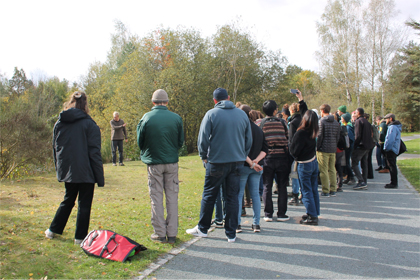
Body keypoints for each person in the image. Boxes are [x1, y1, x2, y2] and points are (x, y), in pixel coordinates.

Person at [186, 88, 252, 243]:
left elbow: (203, 139)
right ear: (228, 98)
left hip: (216, 161)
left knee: (209, 195)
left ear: (214, 100)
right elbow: (248, 140)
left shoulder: (211, 114)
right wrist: (242, 155)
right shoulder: (242, 114)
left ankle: (203, 228)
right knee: (232, 197)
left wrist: (204, 156)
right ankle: (231, 233)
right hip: (236, 161)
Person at [45, 91, 104, 245]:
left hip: (69, 169)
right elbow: (94, 152)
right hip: (86, 171)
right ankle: (79, 237)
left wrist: (60, 168)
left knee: (68, 199)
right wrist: (99, 176)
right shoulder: (90, 124)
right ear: (85, 104)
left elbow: (56, 148)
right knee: (84, 203)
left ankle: (53, 230)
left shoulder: (60, 123)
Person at [137, 89, 184, 244]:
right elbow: (180, 142)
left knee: (156, 197)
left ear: (153, 102)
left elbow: (140, 142)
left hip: (154, 163)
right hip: (171, 162)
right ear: (167, 102)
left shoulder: (146, 118)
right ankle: (172, 233)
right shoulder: (176, 118)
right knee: (172, 197)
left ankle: (159, 233)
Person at [236, 105, 268, 233]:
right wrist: (256, 161)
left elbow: (240, 150)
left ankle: (237, 223)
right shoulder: (258, 129)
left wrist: (251, 163)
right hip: (257, 166)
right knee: (255, 195)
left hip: (245, 165)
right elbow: (265, 149)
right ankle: (256, 224)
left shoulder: (241, 129)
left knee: (239, 196)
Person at [260, 100, 290, 222]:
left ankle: (268, 214)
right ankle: (282, 213)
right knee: (282, 185)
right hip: (282, 156)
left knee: (267, 185)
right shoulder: (282, 122)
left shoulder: (261, 124)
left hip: (267, 157)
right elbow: (288, 137)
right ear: (275, 110)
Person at [290, 110, 320, 225]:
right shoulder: (314, 131)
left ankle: (312, 216)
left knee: (306, 190)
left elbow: (294, 151)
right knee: (313, 189)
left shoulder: (301, 133)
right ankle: (314, 212)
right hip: (313, 161)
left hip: (304, 163)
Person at [287, 90, 308, 205]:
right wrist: (300, 98)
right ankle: (302, 193)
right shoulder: (305, 119)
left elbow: (291, 139)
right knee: (303, 175)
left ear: (291, 111)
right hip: (306, 151)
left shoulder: (293, 122)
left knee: (294, 174)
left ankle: (295, 195)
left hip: (296, 151)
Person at [317, 104, 340, 197]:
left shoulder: (321, 121)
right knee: (332, 169)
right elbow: (337, 136)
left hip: (323, 149)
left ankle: (325, 190)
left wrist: (317, 147)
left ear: (322, 111)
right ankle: (333, 189)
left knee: (323, 171)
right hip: (333, 148)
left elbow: (320, 136)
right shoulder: (335, 122)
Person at [351, 108, 375, 190]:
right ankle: (364, 181)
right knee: (364, 163)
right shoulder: (367, 122)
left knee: (354, 163)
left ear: (358, 113)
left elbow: (357, 135)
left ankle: (361, 181)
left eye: (356, 112)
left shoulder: (358, 121)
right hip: (368, 145)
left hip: (361, 146)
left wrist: (355, 145)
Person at [383, 113, 402, 188]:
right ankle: (393, 182)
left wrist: (386, 148)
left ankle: (393, 183)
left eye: (386, 119)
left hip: (391, 149)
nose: (385, 121)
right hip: (394, 149)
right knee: (392, 165)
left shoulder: (392, 127)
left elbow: (390, 139)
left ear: (391, 119)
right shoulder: (395, 126)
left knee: (392, 166)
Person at [341, 113, 356, 185]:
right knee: (345, 163)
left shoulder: (348, 127)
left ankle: (352, 177)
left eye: (342, 118)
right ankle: (348, 177)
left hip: (348, 148)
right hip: (348, 147)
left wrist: (347, 145)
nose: (341, 119)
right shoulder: (347, 126)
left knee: (346, 163)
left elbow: (350, 138)